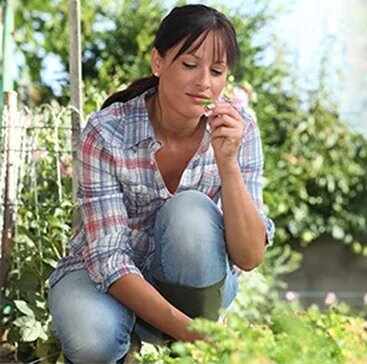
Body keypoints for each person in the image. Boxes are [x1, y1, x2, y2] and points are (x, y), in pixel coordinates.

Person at [47, 4, 274, 363]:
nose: (203, 82)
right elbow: (108, 259)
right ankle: (132, 347)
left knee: (191, 211)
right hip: (102, 281)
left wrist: (227, 162)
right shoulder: (106, 132)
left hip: (190, 286)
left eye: (216, 71)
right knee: (93, 340)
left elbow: (249, 257)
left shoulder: (238, 130)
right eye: (188, 64)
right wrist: (191, 333)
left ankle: (186, 353)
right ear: (158, 62)